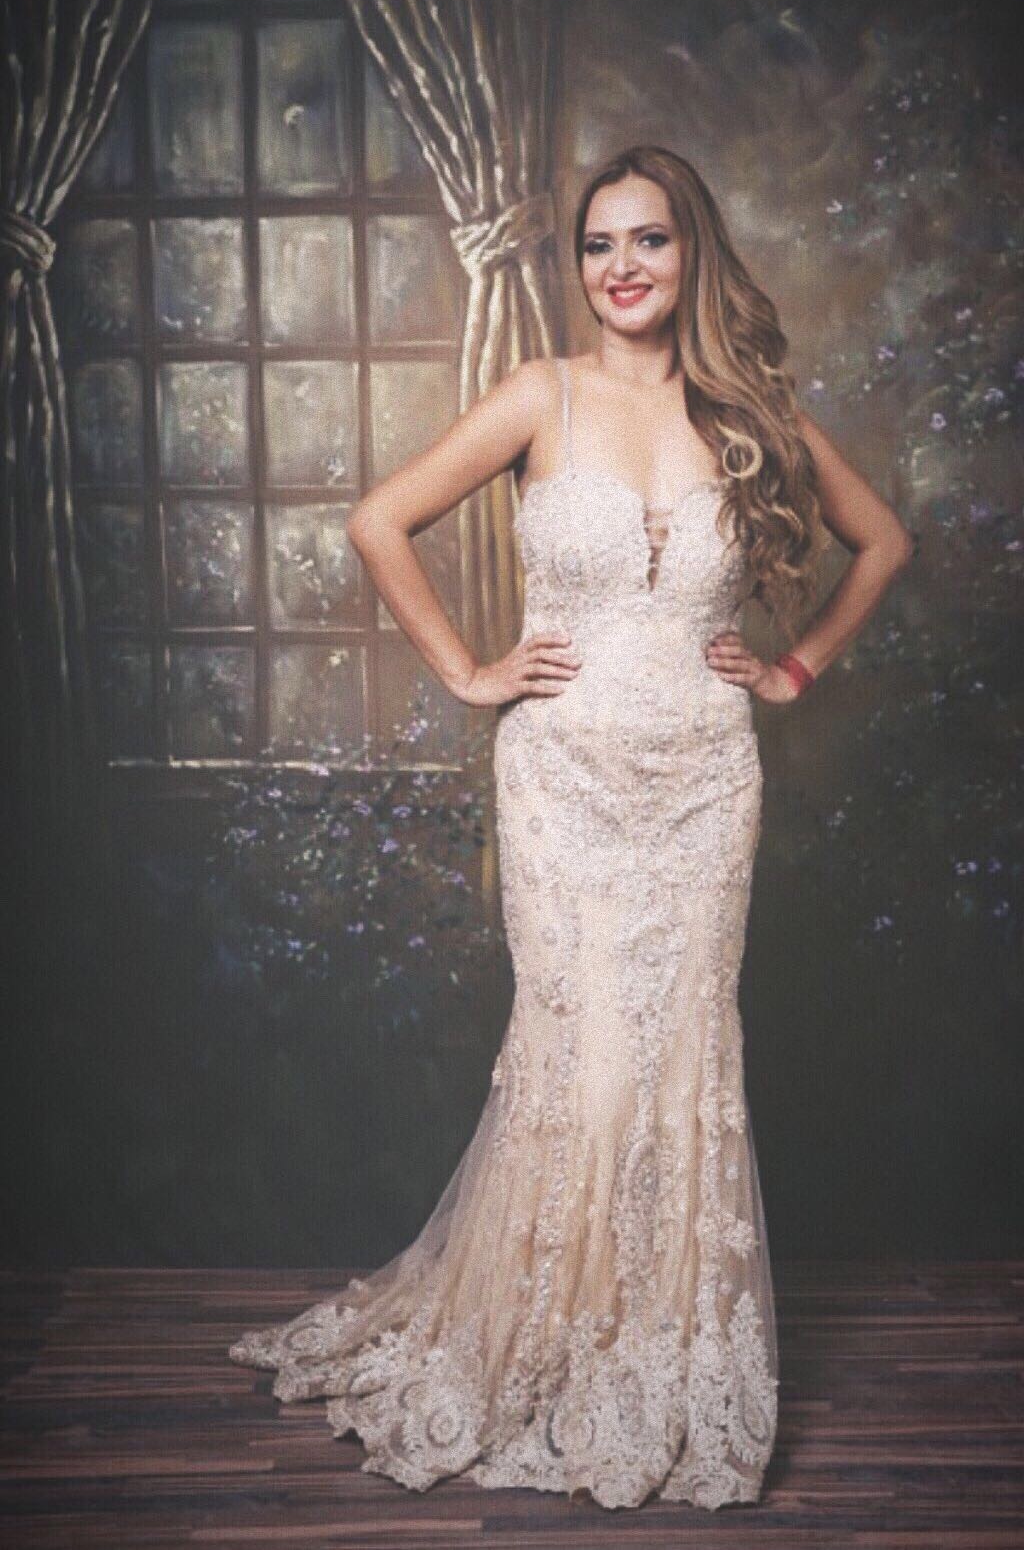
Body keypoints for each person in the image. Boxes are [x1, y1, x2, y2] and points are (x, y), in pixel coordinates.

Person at [228, 145, 913, 1511]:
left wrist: (793, 667)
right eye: (599, 245)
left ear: (690, 251)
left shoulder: (753, 412)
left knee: (682, 1060)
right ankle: (547, 1345)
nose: (621, 267)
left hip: (704, 784)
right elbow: (379, 520)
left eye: (647, 240)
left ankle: (658, 1355)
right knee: (582, 1064)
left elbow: (882, 540)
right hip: (566, 783)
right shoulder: (540, 393)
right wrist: (470, 671)